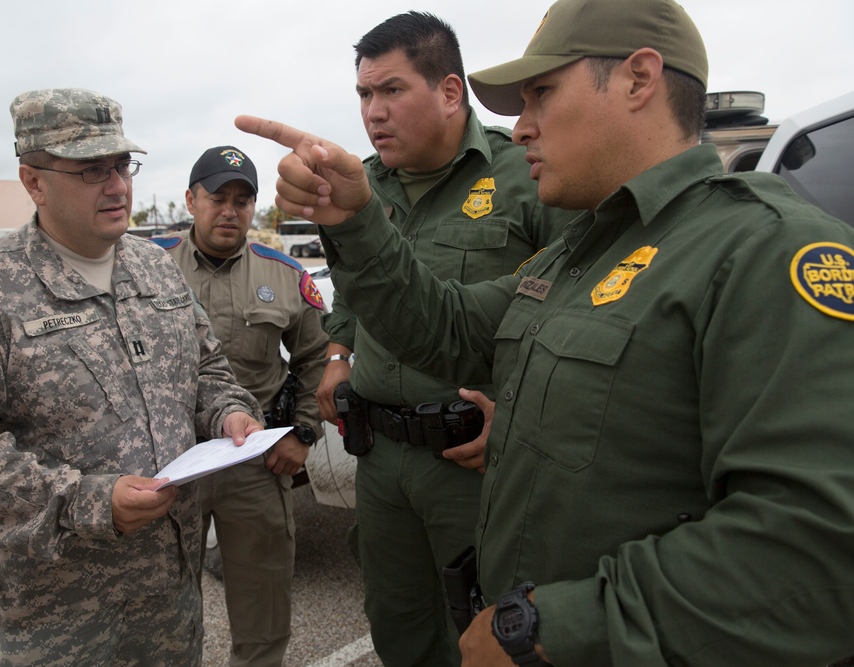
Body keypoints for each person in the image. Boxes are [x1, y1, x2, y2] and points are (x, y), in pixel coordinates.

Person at [236, 0, 854, 663]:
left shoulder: (764, 250)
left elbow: (816, 551)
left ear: (639, 80)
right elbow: (440, 327)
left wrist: (546, 629)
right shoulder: (577, 257)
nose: (520, 126)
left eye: (541, 95)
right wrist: (354, 216)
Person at [0, 88, 264, 666]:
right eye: (91, 170)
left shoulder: (154, 267)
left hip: (169, 607)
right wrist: (87, 501)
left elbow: (206, 369)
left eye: (122, 164)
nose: (118, 185)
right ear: (34, 181)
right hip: (52, 624)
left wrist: (228, 412)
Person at [309, 12, 570, 666]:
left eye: (392, 90)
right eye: (364, 94)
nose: (374, 111)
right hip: (380, 456)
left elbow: (573, 307)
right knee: (397, 623)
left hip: (473, 462)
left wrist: (519, 417)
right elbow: (353, 290)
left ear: (450, 92)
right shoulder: (362, 187)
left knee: (490, 629)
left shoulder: (527, 174)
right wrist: (339, 353)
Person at [153, 145, 329, 666]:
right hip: (167, 462)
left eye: (243, 200)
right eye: (217, 197)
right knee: (156, 604)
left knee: (264, 603)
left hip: (253, 460)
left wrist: (302, 434)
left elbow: (316, 356)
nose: (230, 210)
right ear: (191, 199)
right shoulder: (147, 268)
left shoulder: (284, 275)